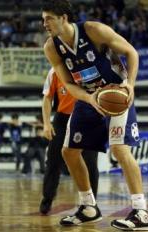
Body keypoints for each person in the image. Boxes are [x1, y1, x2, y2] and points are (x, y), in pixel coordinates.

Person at [42, 1, 148, 231]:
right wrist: (89, 98)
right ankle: (88, 207)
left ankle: (141, 212)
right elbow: (70, 85)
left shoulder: (93, 30)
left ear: (64, 18)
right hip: (89, 97)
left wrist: (130, 85)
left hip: (116, 93)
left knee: (120, 149)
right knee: (68, 151)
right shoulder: (51, 48)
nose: (44, 24)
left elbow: (131, 52)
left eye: (48, 19)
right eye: (43, 20)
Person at [39, 68, 100, 215]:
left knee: (90, 163)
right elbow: (47, 98)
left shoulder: (90, 66)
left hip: (88, 118)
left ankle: (91, 204)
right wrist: (46, 123)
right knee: (53, 161)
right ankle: (47, 199)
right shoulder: (54, 71)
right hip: (62, 119)